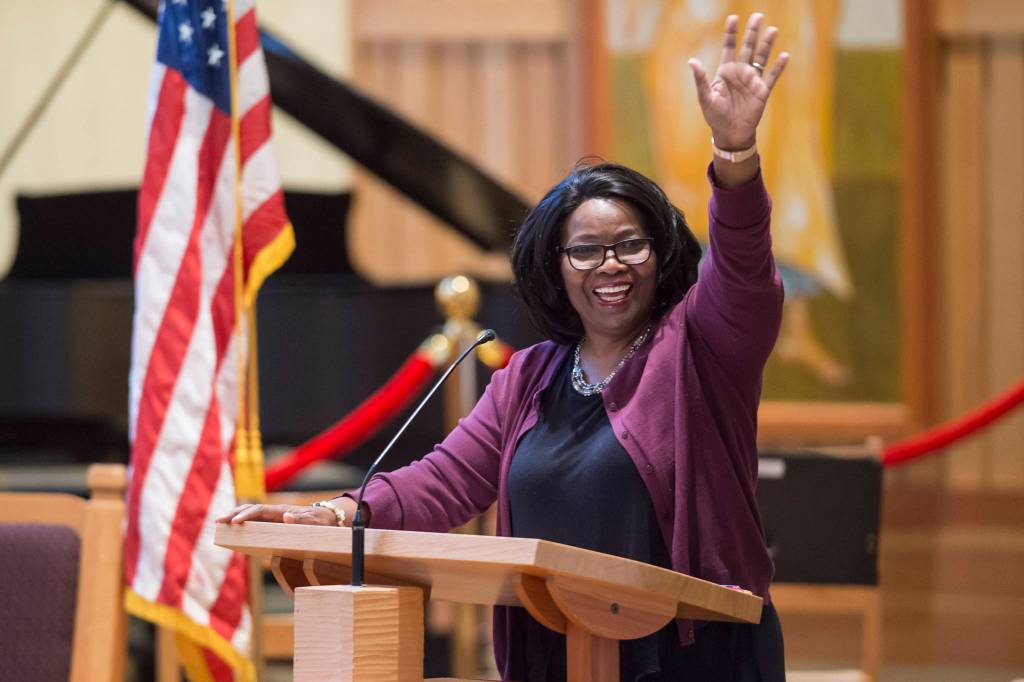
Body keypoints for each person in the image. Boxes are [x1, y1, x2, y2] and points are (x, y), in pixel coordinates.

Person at [221, 12, 788, 681]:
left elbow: (745, 270)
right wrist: (335, 513)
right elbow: (443, 481)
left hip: (692, 659)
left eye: (631, 244)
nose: (610, 264)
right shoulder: (527, 379)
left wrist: (735, 157)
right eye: (585, 250)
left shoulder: (701, 348)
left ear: (660, 257)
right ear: (556, 268)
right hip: (557, 655)